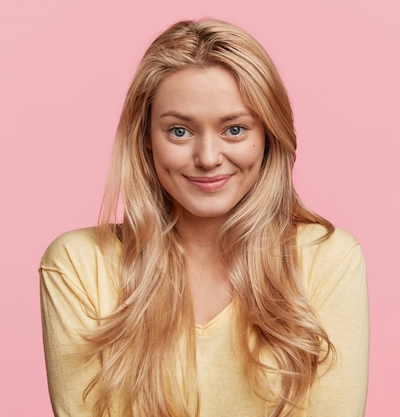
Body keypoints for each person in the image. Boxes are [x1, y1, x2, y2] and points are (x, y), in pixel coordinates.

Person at [39, 19, 369, 417]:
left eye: (234, 129)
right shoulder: (78, 265)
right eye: (179, 131)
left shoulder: (327, 259)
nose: (208, 157)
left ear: (268, 136)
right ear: (146, 138)